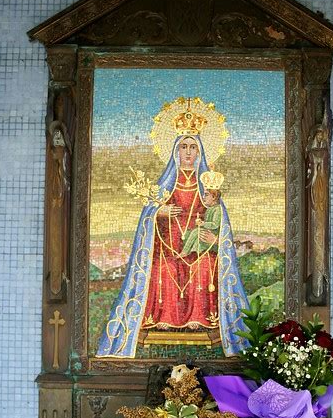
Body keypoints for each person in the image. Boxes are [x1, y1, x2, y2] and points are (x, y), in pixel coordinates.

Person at [96, 99, 249, 358]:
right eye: (183, 147)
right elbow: (145, 221)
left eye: (193, 148)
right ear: (175, 152)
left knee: (203, 266)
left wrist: (214, 238)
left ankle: (200, 319)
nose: (188, 153)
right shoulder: (164, 188)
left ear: (200, 153)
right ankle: (161, 318)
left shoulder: (208, 188)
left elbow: (221, 224)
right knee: (160, 267)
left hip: (199, 250)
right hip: (167, 248)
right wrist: (158, 212)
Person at [181, 187, 222, 258]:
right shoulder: (209, 209)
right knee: (191, 233)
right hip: (207, 232)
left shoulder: (217, 209)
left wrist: (203, 223)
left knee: (196, 232)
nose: (203, 197)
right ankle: (191, 253)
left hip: (212, 235)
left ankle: (185, 252)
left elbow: (215, 225)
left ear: (214, 197)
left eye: (206, 195)